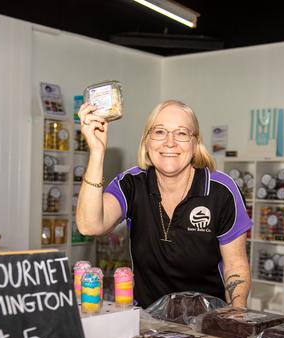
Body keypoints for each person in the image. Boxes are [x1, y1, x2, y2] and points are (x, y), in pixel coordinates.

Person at [76, 99, 252, 308]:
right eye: (159, 132)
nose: (170, 142)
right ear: (146, 141)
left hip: (208, 325)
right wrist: (97, 153)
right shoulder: (132, 183)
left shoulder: (222, 191)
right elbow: (90, 225)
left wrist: (235, 316)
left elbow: (236, 266)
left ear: (195, 143)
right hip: (147, 323)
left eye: (181, 133)